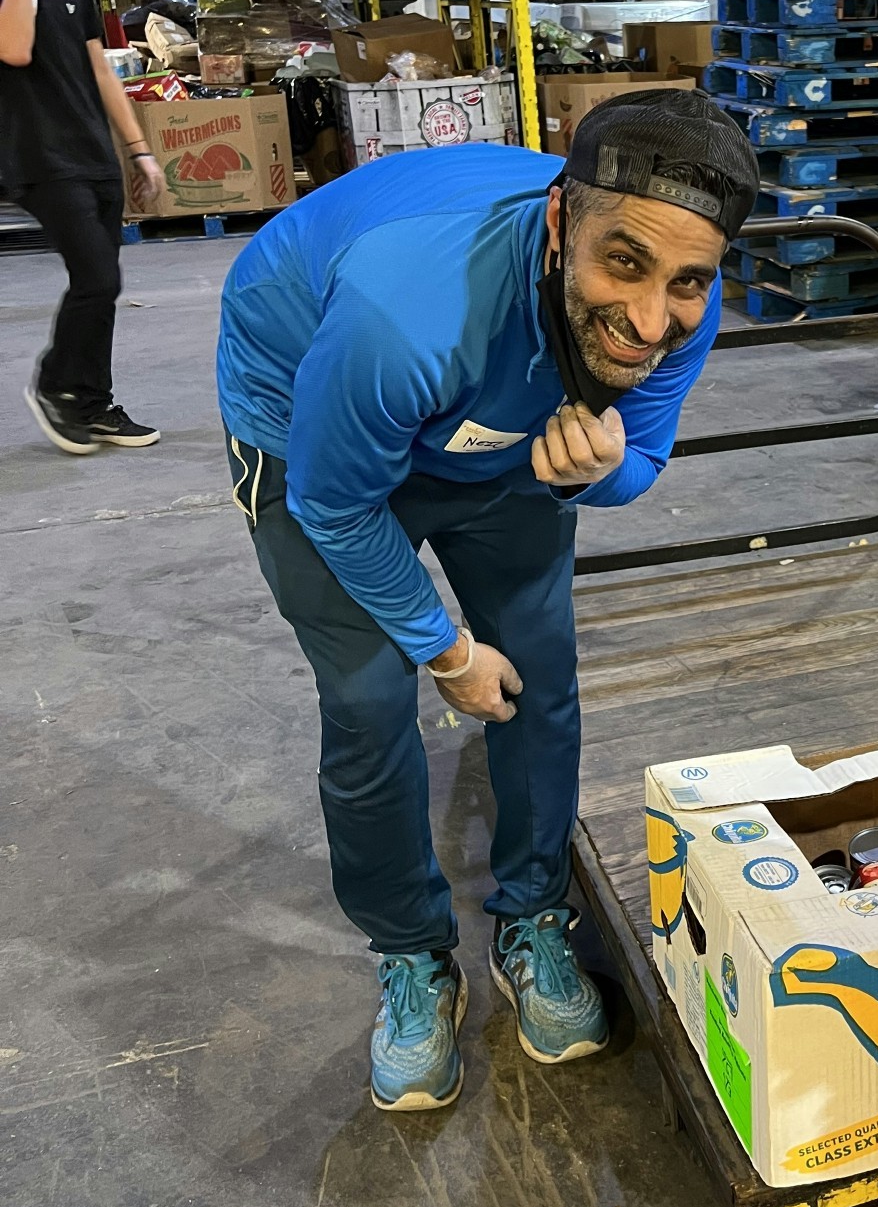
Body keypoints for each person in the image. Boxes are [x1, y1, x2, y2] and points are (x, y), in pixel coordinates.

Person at [216, 90, 759, 1110]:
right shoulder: (401, 316)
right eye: (625, 264)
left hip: (507, 431)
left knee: (541, 668)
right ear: (561, 222)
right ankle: (411, 950)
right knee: (374, 699)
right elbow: (334, 504)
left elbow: (638, 453)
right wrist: (446, 647)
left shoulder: (681, 301)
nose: (651, 319)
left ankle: (533, 913)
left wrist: (592, 474)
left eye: (686, 281)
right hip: (314, 423)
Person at [0, 0, 165, 452]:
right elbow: (13, 48)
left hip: (93, 154)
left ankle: (92, 403)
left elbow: (102, 71)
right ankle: (57, 386)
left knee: (103, 284)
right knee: (97, 279)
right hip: (39, 156)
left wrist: (138, 150)